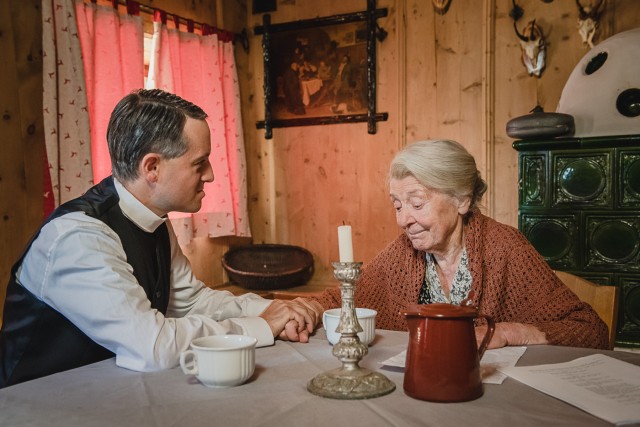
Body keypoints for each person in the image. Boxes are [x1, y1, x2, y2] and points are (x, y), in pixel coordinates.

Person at [0, 89, 323, 388]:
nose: (210, 174)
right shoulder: (77, 238)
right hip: (30, 404)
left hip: (102, 394)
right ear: (151, 167)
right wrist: (262, 326)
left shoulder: (155, 220)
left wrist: (271, 309)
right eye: (200, 163)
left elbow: (192, 302)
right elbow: (152, 346)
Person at [313, 139, 608, 350]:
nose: (404, 221)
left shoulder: (504, 247)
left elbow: (589, 330)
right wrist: (301, 308)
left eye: (417, 203)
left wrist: (508, 332)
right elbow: (347, 297)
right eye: (398, 205)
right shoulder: (402, 252)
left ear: (462, 200)